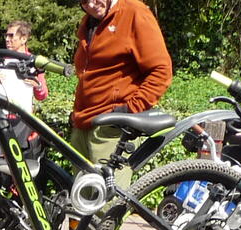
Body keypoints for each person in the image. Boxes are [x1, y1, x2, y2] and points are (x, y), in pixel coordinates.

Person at [69, 0, 171, 167]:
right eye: (85, 2)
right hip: (83, 126)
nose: (92, 5)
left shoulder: (134, 12)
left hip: (111, 129)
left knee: (111, 192)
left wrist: (127, 111)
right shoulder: (88, 22)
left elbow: (161, 70)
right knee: (82, 192)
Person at [0, 20, 47, 115]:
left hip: (22, 120)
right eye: (6, 36)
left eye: (11, 35)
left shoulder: (34, 63)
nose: (7, 39)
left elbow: (42, 96)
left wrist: (38, 86)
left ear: (23, 39)